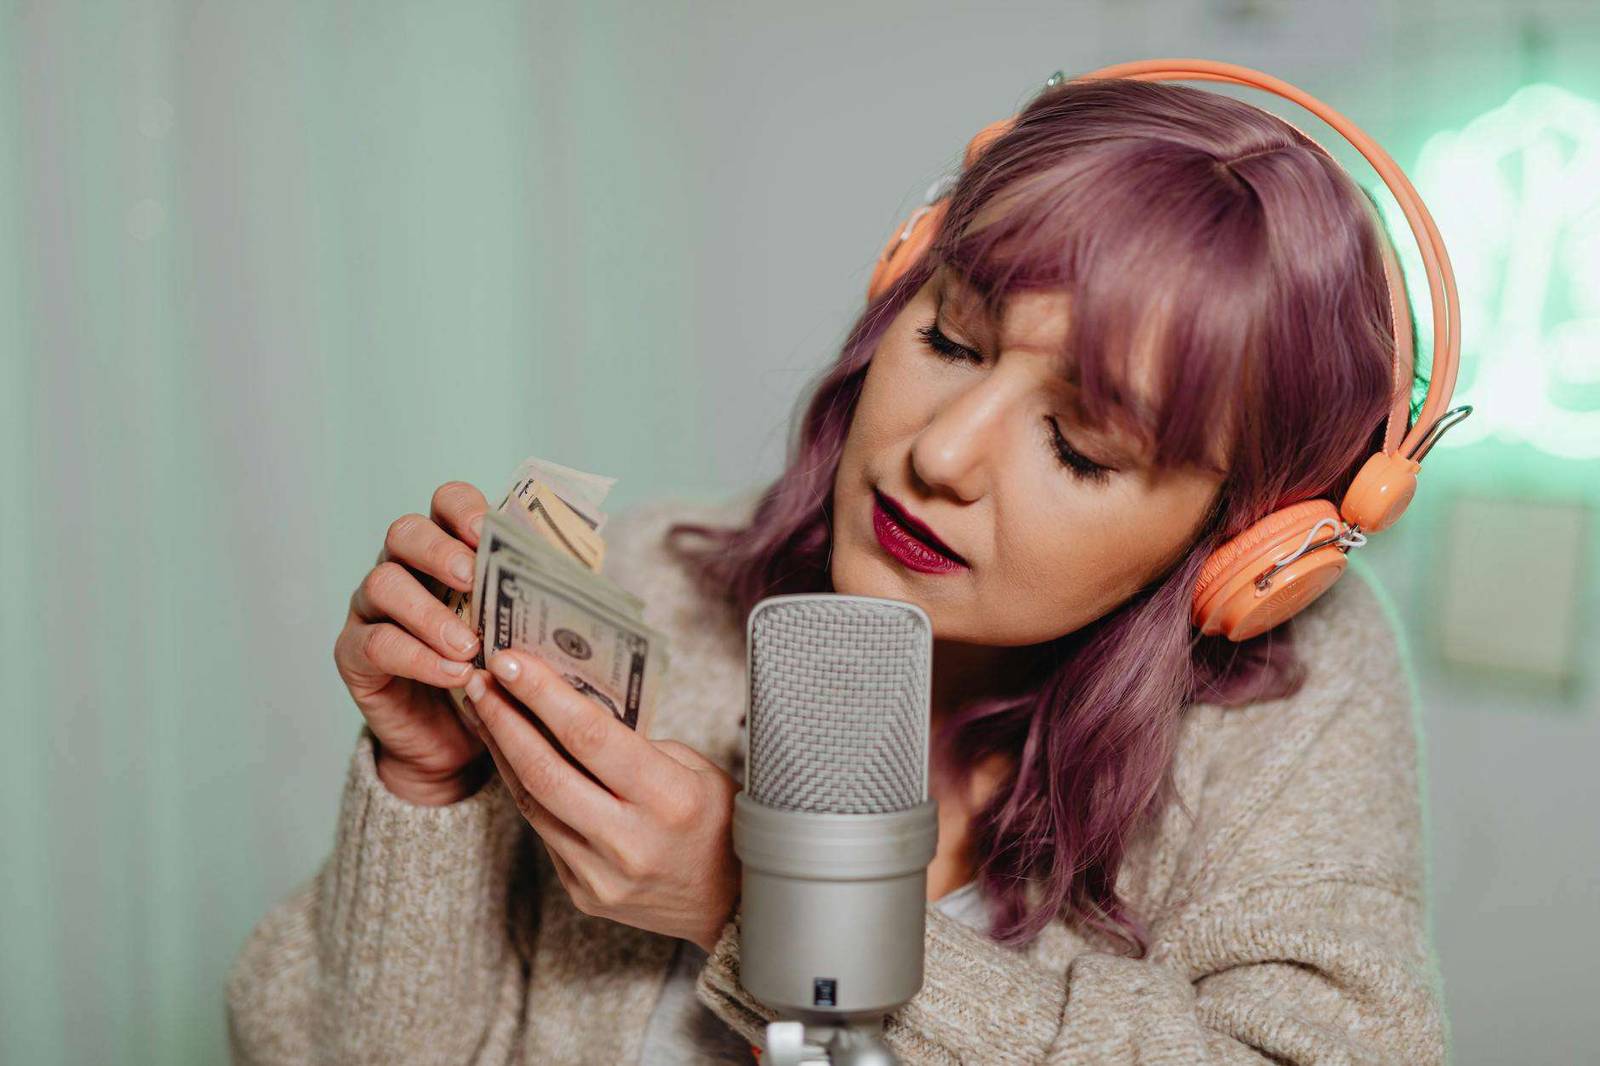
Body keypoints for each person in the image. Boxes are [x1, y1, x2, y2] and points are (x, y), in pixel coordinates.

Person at [225, 73, 1450, 1064]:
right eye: (947, 338)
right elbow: (311, 1043)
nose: (940, 451)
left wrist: (756, 905)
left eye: (1078, 445)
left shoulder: (1292, 703)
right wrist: (425, 784)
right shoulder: (656, 579)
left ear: (1242, 553)